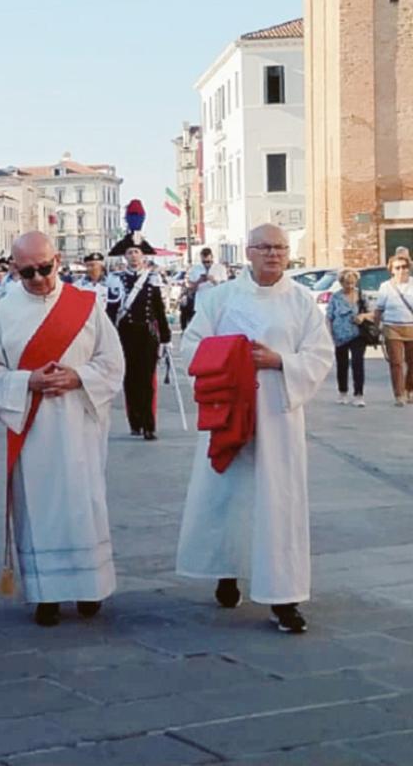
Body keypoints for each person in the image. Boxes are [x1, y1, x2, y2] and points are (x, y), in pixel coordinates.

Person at [175, 225, 334, 634]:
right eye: (265, 247)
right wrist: (236, 359)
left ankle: (284, 595)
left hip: (278, 416)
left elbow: (319, 355)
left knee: (279, 503)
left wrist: (279, 360)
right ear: (248, 252)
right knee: (229, 495)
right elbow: (192, 346)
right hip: (230, 411)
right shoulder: (219, 298)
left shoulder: (301, 302)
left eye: (280, 248)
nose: (274, 254)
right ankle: (227, 570)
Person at [0, 234, 125, 626]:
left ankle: (90, 589)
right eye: (28, 272)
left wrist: (79, 377)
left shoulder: (87, 306)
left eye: (45, 268)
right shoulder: (2, 313)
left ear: (58, 260)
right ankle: (46, 594)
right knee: (40, 508)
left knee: (84, 503)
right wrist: (27, 382)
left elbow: (112, 362)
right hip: (34, 429)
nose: (39, 278)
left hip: (81, 424)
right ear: (13, 268)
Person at [106, 238, 171, 440]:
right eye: (130, 252)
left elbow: (159, 310)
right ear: (125, 257)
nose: (133, 256)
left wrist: (166, 337)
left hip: (147, 335)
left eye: (136, 252)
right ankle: (135, 420)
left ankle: (149, 424)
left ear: (143, 256)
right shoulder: (116, 279)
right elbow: (111, 310)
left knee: (147, 379)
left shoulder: (152, 279)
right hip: (126, 334)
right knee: (130, 379)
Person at [327, 269, 373, 407]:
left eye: (353, 283)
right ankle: (343, 392)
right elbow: (329, 317)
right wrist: (329, 335)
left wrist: (363, 316)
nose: (350, 286)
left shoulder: (361, 295)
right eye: (347, 283)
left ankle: (359, 394)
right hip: (339, 335)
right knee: (342, 364)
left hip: (357, 334)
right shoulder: (335, 297)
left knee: (358, 363)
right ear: (341, 283)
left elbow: (372, 313)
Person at [374, 253, 413, 406]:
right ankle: (399, 395)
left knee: (412, 362)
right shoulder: (386, 287)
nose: (401, 270)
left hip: (411, 326)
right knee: (396, 362)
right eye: (398, 267)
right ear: (391, 270)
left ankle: (409, 389)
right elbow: (379, 309)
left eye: (404, 267)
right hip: (392, 327)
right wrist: (376, 328)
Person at [182, 248, 229, 330]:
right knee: (202, 330)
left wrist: (213, 281)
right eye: (204, 262)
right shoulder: (195, 269)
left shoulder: (220, 268)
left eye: (208, 262)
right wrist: (199, 281)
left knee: (217, 329)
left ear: (212, 258)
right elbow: (191, 289)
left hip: (216, 304)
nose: (206, 264)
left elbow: (225, 288)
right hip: (201, 305)